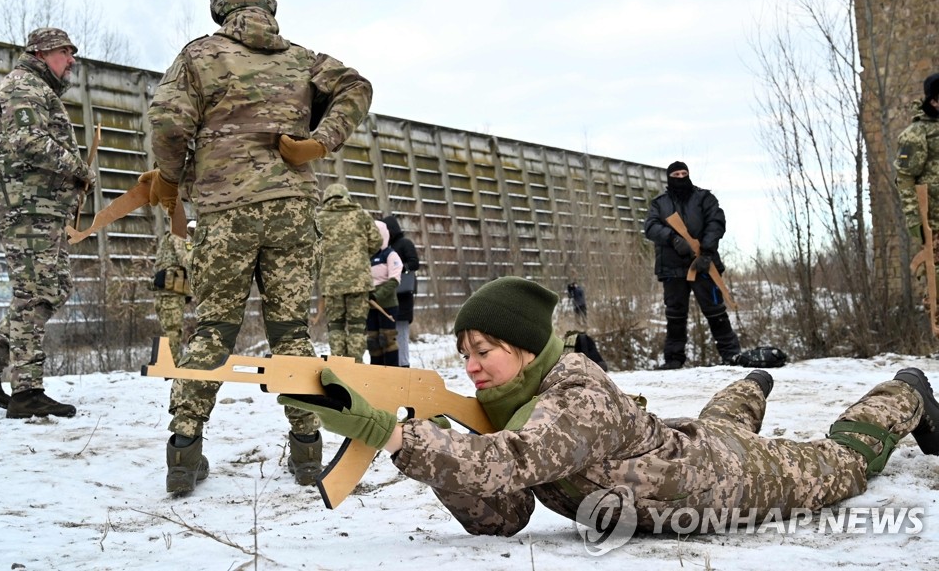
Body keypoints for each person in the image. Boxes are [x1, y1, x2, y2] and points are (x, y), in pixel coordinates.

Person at [280, 276, 939, 538]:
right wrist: (444, 442)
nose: (471, 365)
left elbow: (514, 460)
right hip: (683, 449)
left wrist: (397, 439)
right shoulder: (505, 405)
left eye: (485, 350)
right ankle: (753, 384)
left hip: (730, 481)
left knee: (843, 462)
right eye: (464, 352)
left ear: (527, 348)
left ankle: (908, 389)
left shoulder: (573, 394)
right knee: (717, 424)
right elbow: (502, 512)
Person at [143, 0, 372, 494]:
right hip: (292, 208)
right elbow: (357, 87)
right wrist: (319, 144)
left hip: (225, 210)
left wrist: (172, 177)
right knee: (291, 330)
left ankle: (184, 448)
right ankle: (308, 452)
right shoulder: (301, 58)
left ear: (217, 10)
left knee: (213, 327)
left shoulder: (200, 55)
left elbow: (168, 120)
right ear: (271, 6)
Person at [0, 27, 92, 419]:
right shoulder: (23, 86)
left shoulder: (37, 88)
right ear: (43, 52)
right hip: (25, 208)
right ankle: (27, 391)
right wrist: (77, 168)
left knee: (55, 287)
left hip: (40, 207)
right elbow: (28, 141)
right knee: (36, 293)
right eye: (66, 53)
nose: (71, 61)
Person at [643, 161, 741, 369]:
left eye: (684, 173)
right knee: (675, 315)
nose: (680, 177)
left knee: (716, 311)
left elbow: (716, 223)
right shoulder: (659, 204)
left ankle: (731, 354)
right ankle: (674, 359)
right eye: (676, 174)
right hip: (672, 267)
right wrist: (672, 238)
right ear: (669, 177)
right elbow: (651, 227)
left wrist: (706, 251)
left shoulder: (705, 198)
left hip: (703, 265)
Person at [894, 71, 939, 323]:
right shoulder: (918, 133)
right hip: (935, 223)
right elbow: (905, 178)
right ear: (934, 100)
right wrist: (914, 220)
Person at [317, 183, 380, 360]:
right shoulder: (361, 215)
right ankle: (355, 364)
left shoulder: (319, 219)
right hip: (359, 281)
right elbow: (376, 241)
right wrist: (360, 256)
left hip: (331, 283)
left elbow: (310, 248)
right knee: (357, 326)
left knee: (335, 325)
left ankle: (338, 364)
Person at [382, 215, 420, 367]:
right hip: (389, 296)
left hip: (403, 296)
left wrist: (397, 268)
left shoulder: (404, 243)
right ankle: (394, 365)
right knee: (391, 335)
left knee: (401, 334)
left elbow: (414, 263)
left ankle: (403, 365)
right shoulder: (386, 248)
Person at [151, 227, 192, 365]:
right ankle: (172, 366)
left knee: (169, 330)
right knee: (173, 331)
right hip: (171, 293)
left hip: (164, 293)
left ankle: (168, 363)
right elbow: (187, 260)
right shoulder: (179, 236)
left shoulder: (167, 237)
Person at [367, 220, 403, 366]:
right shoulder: (366, 257)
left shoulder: (390, 254)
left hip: (387, 304)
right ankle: (375, 372)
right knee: (373, 341)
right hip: (369, 305)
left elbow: (394, 280)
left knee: (387, 339)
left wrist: (377, 295)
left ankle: (392, 371)